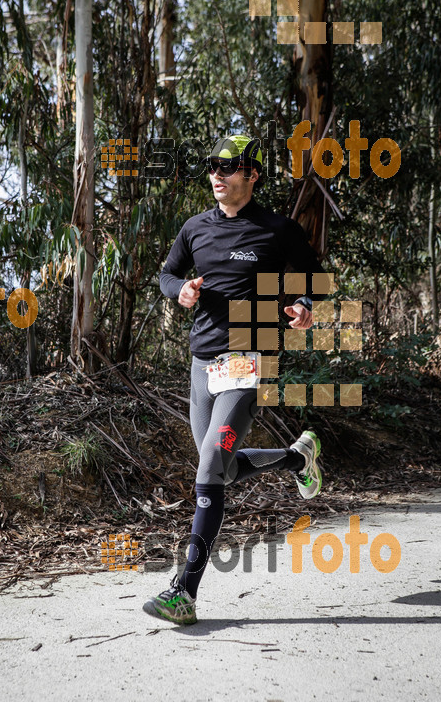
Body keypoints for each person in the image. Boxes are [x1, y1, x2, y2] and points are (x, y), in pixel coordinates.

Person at [143, 134, 327, 625]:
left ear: (252, 176)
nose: (218, 175)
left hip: (250, 359)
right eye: (213, 166)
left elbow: (313, 274)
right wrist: (179, 290)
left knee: (208, 464)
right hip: (202, 364)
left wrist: (305, 307)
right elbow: (166, 274)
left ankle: (184, 591)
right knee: (219, 469)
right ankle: (296, 457)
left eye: (230, 167)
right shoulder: (195, 229)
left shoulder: (275, 229)